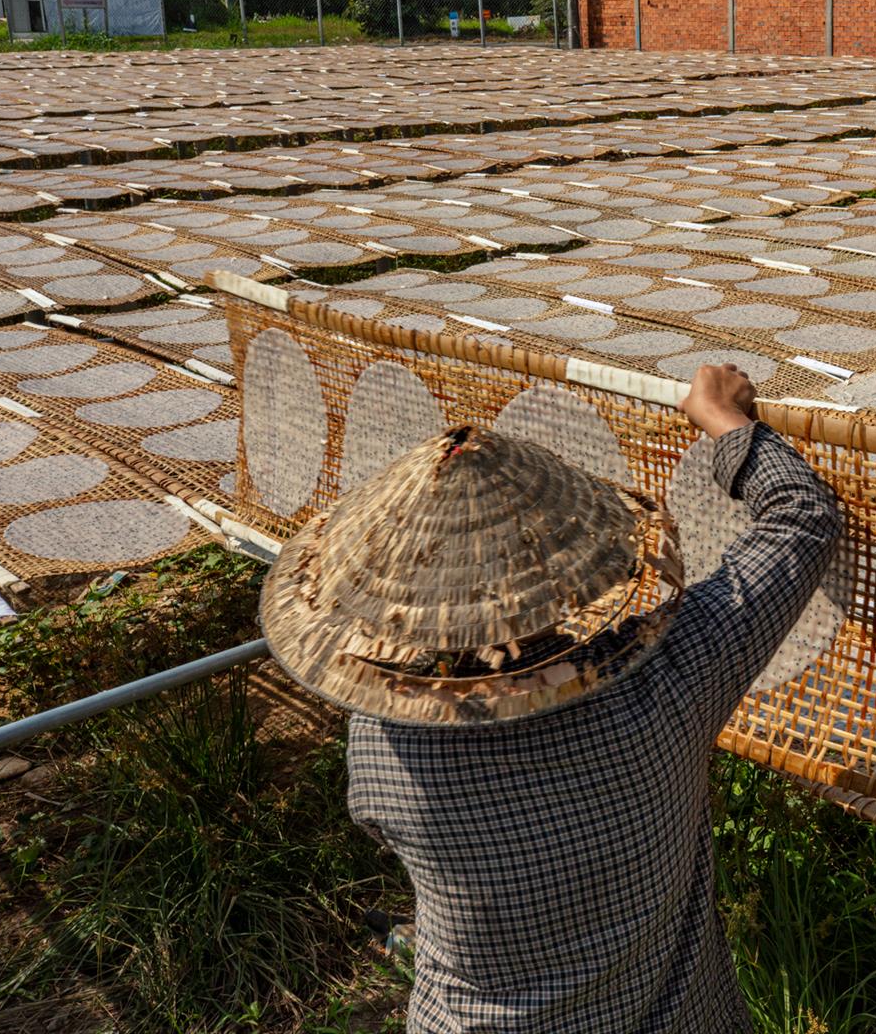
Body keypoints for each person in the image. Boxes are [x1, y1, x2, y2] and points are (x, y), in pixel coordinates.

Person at [258, 364, 841, 1033]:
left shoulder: (385, 743)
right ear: (572, 568)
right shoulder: (668, 683)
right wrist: (721, 421)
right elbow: (802, 518)